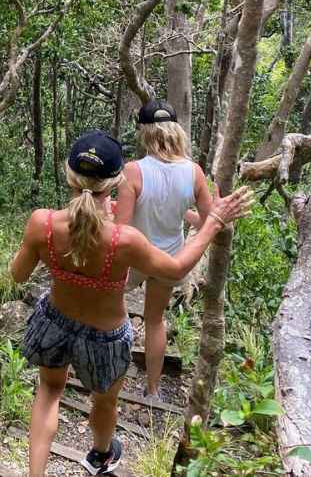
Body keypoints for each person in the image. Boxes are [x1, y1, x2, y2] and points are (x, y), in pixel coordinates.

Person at [9, 129, 252, 476]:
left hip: (54, 320)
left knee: (49, 390)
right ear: (115, 182)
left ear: (69, 175)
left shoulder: (42, 223)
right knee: (105, 400)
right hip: (104, 337)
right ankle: (102, 454)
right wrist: (212, 222)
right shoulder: (124, 241)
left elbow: (17, 276)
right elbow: (178, 266)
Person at [115, 99, 211, 401]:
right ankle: (153, 389)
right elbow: (210, 220)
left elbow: (121, 228)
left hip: (136, 257)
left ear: (145, 132)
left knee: (112, 307)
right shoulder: (194, 172)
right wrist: (185, 213)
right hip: (169, 259)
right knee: (155, 320)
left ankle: (109, 371)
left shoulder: (133, 171)